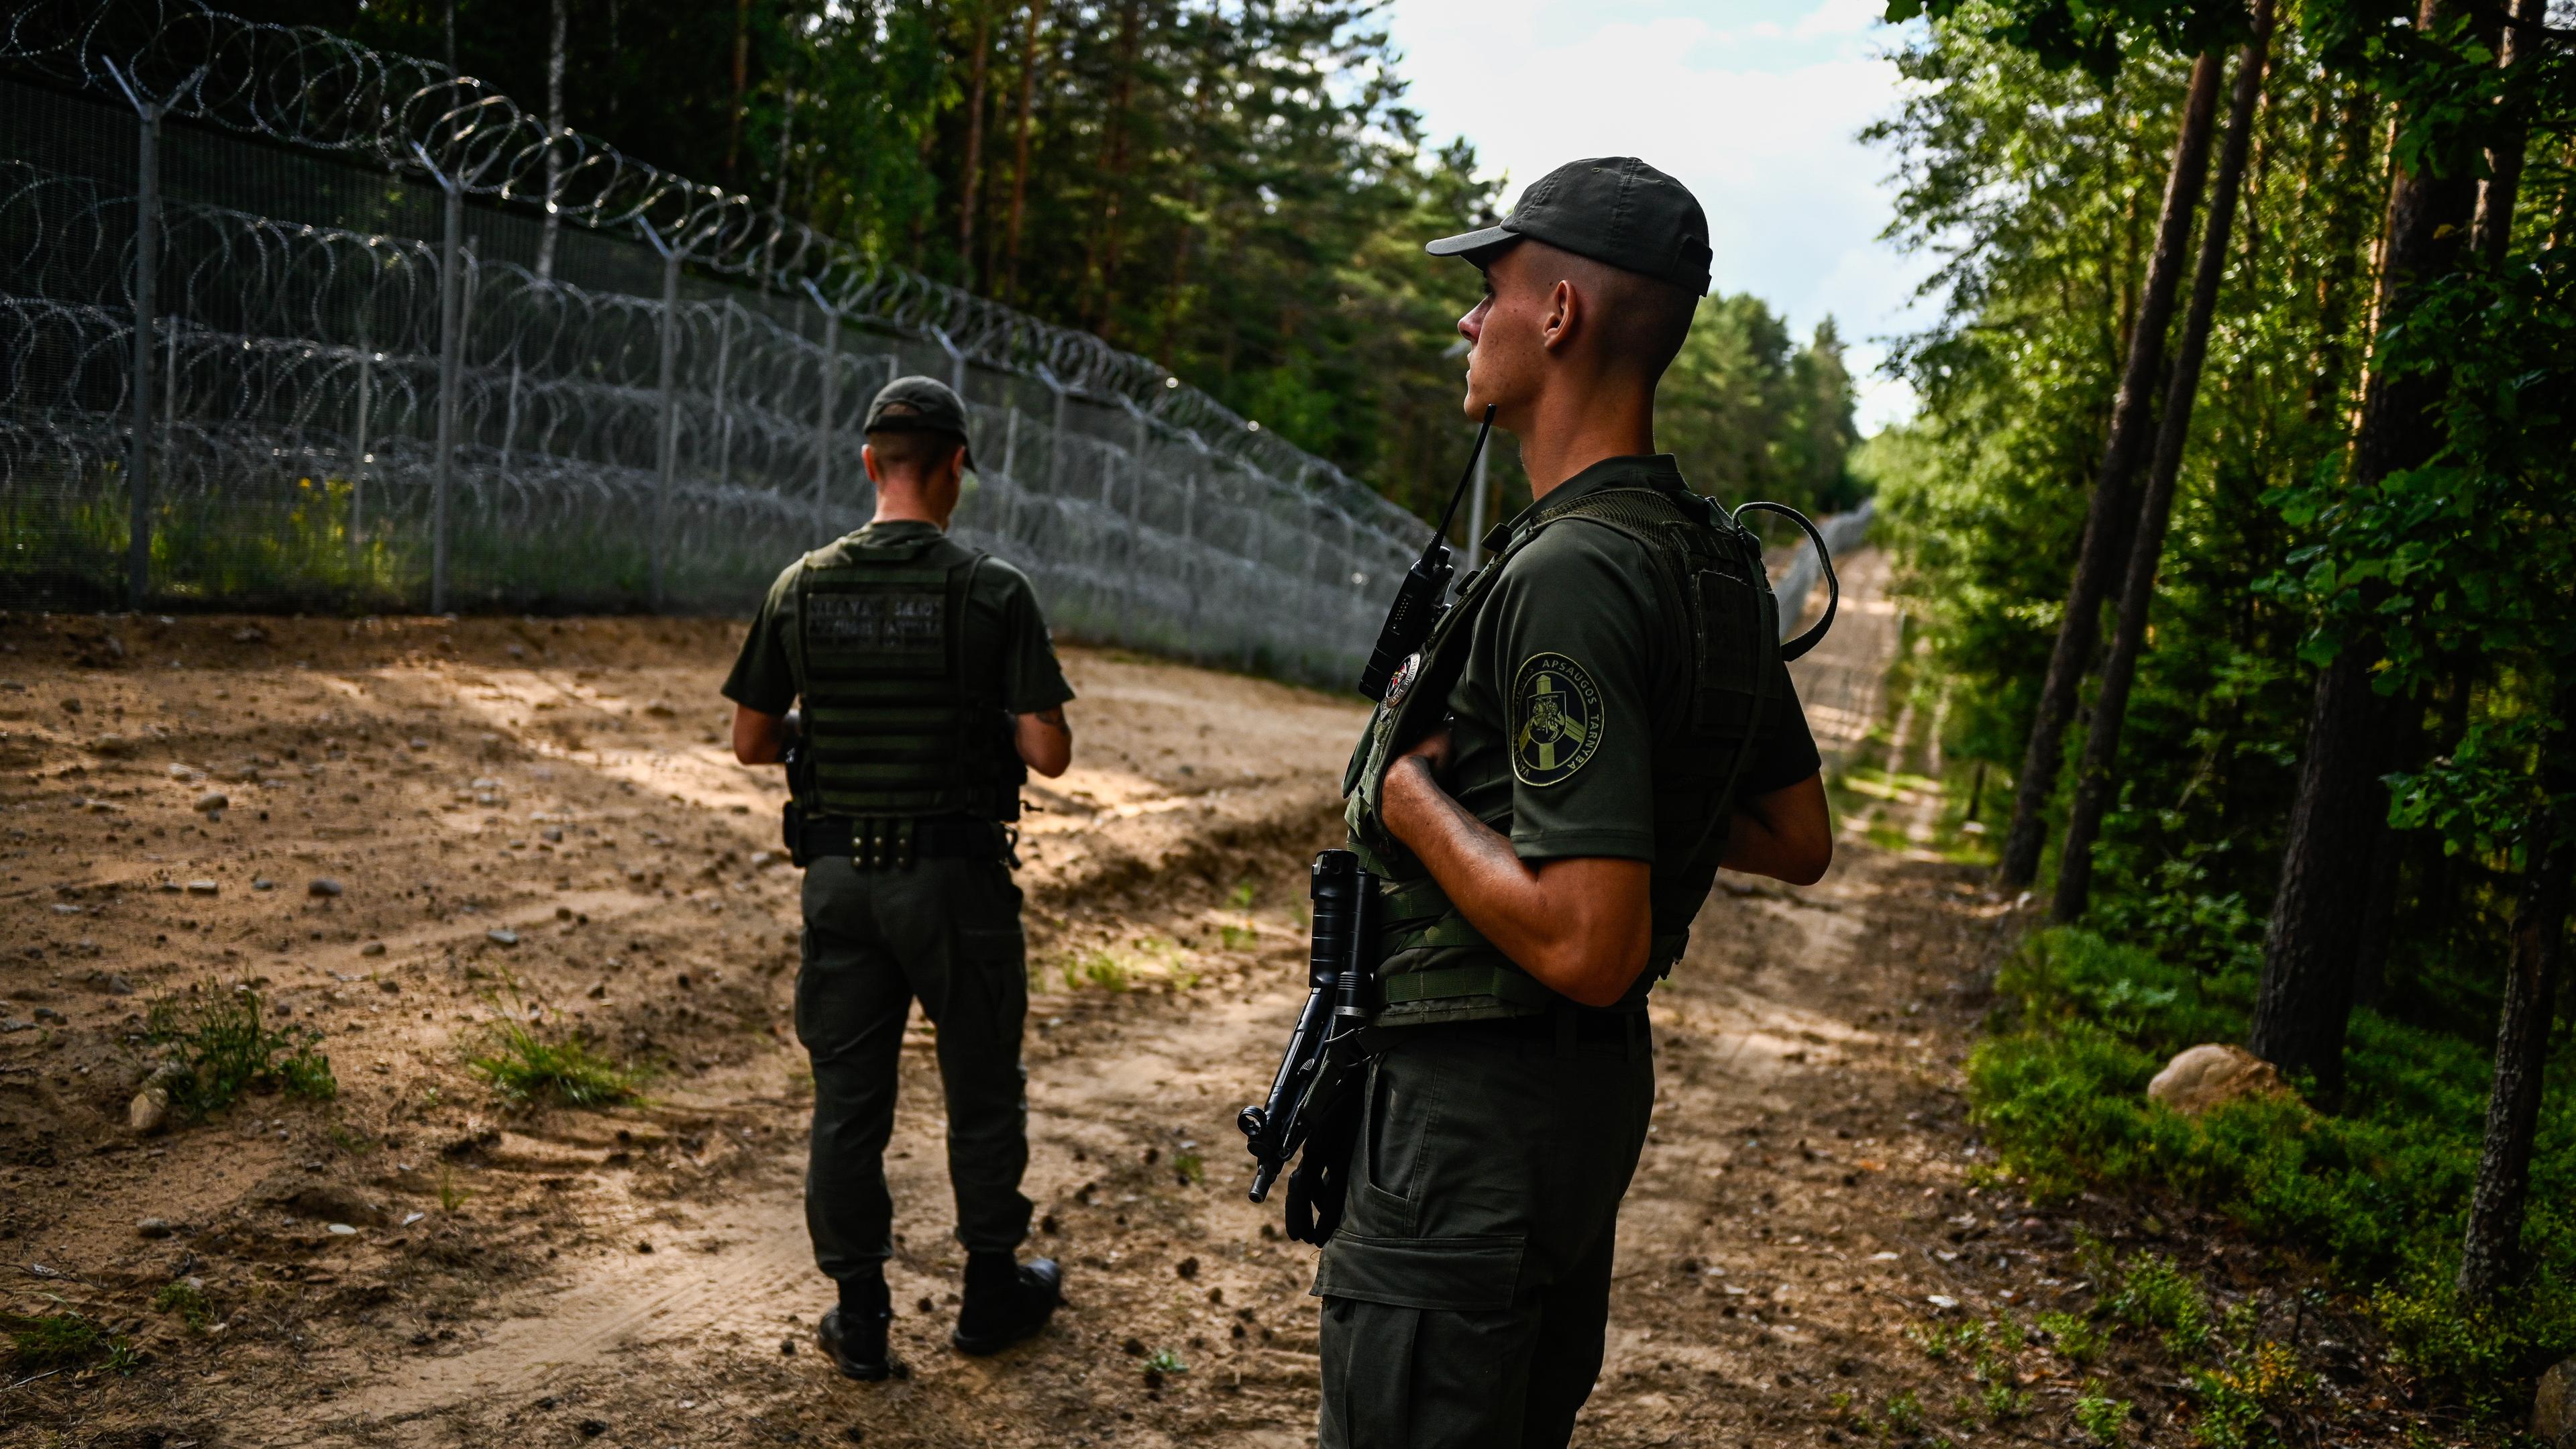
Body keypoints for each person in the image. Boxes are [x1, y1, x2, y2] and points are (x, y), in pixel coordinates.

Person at [1318, 158, 1837, 1447]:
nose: (1467, 318)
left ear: (1558, 313)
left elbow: (1594, 945)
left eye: (1489, 287)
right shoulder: (1708, 563)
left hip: (1472, 1123)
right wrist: (1614, 814)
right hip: (1573, 1110)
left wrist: (1409, 795)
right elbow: (1793, 834)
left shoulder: (1573, 574)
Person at [722, 376, 1075, 1380]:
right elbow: (1048, 752)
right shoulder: (995, 591)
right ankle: (989, 1294)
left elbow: (752, 741)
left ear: (870, 463)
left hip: (841, 882)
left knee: (848, 1102)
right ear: (957, 466)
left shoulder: (799, 585)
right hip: (956, 885)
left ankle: (861, 1315)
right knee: (981, 1088)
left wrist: (826, 727)